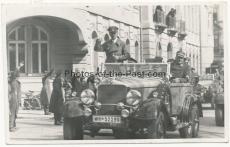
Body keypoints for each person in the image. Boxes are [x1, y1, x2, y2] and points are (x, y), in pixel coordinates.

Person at [9, 61, 24, 132]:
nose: (18, 76)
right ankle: (11, 126)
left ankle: (14, 125)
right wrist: (19, 67)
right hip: (13, 98)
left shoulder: (16, 81)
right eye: (17, 75)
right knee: (12, 112)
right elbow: (14, 73)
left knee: (15, 112)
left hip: (16, 99)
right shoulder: (12, 81)